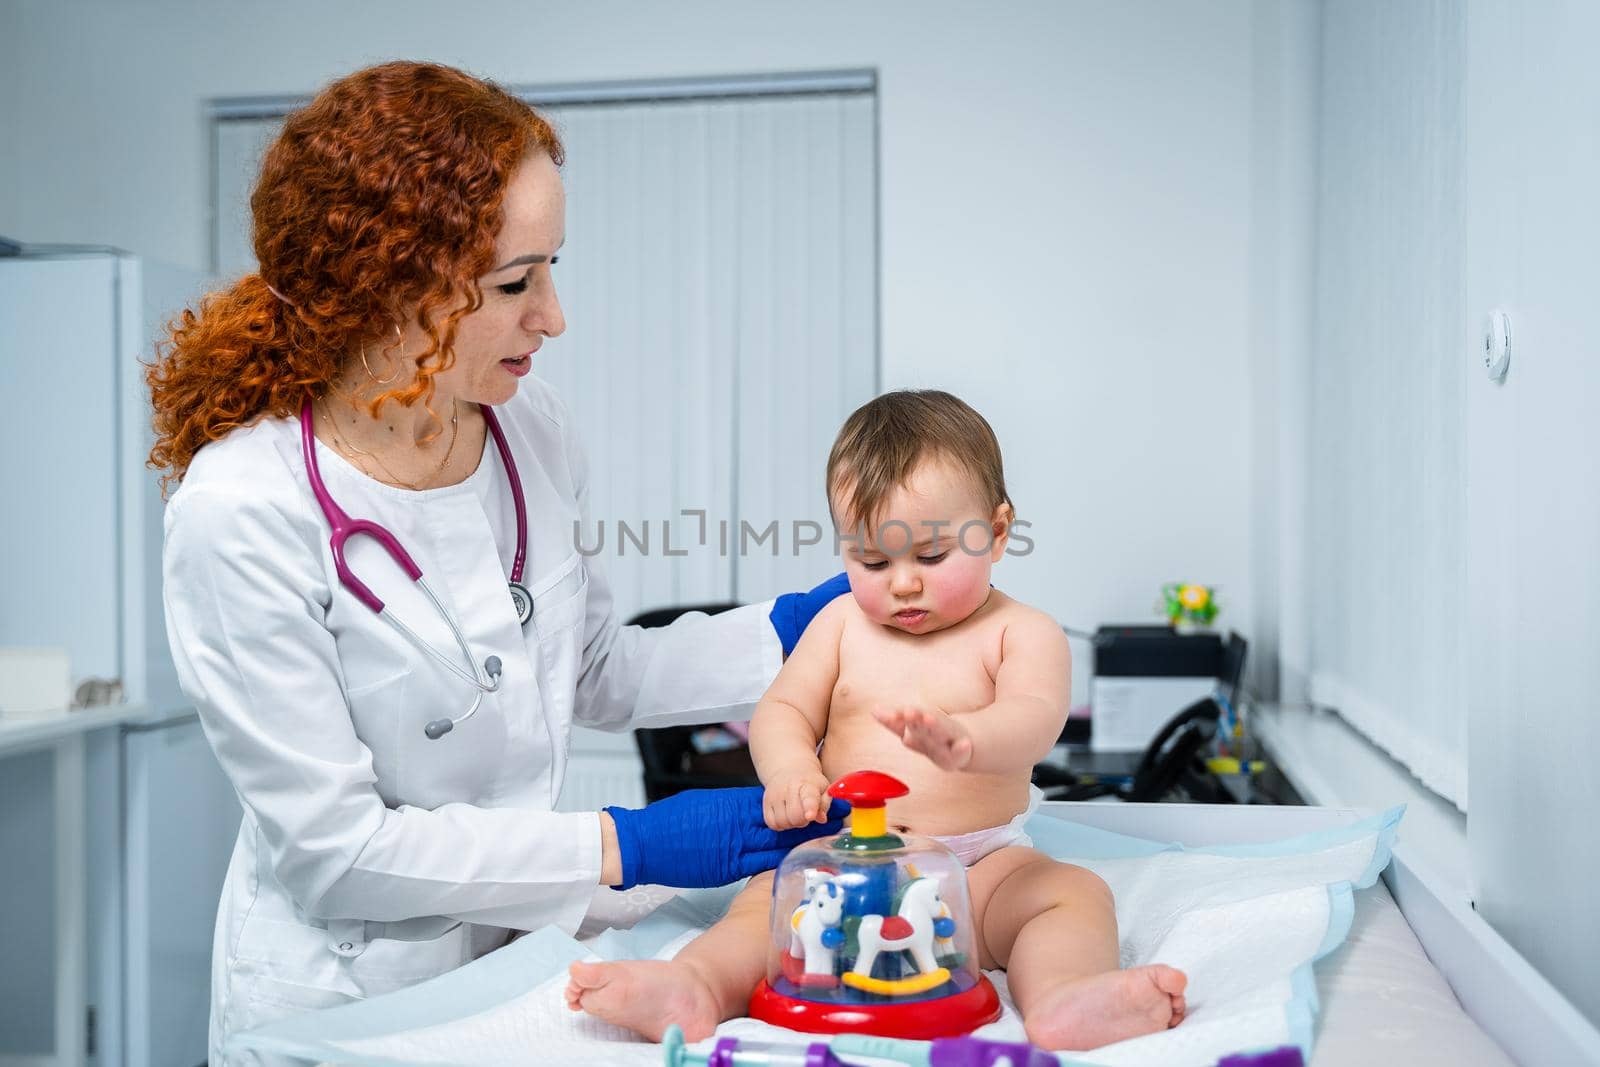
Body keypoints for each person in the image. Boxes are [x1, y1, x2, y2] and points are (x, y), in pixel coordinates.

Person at [148, 61, 845, 1065]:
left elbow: (595, 668)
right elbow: (336, 853)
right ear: (393, 289)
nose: (552, 314)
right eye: (518, 281)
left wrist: (809, 623)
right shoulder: (243, 511)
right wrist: (625, 842)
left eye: (552, 268)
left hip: (520, 968)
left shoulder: (528, 428)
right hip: (344, 999)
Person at [565, 390, 1189, 1051]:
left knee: (1070, 893)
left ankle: (1065, 995)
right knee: (760, 907)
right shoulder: (840, 625)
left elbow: (1035, 719)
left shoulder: (1021, 632)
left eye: (929, 556)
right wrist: (792, 771)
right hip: (839, 864)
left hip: (979, 868)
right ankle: (692, 985)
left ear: (998, 531)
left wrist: (970, 738)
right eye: (872, 559)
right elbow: (783, 710)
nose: (902, 583)